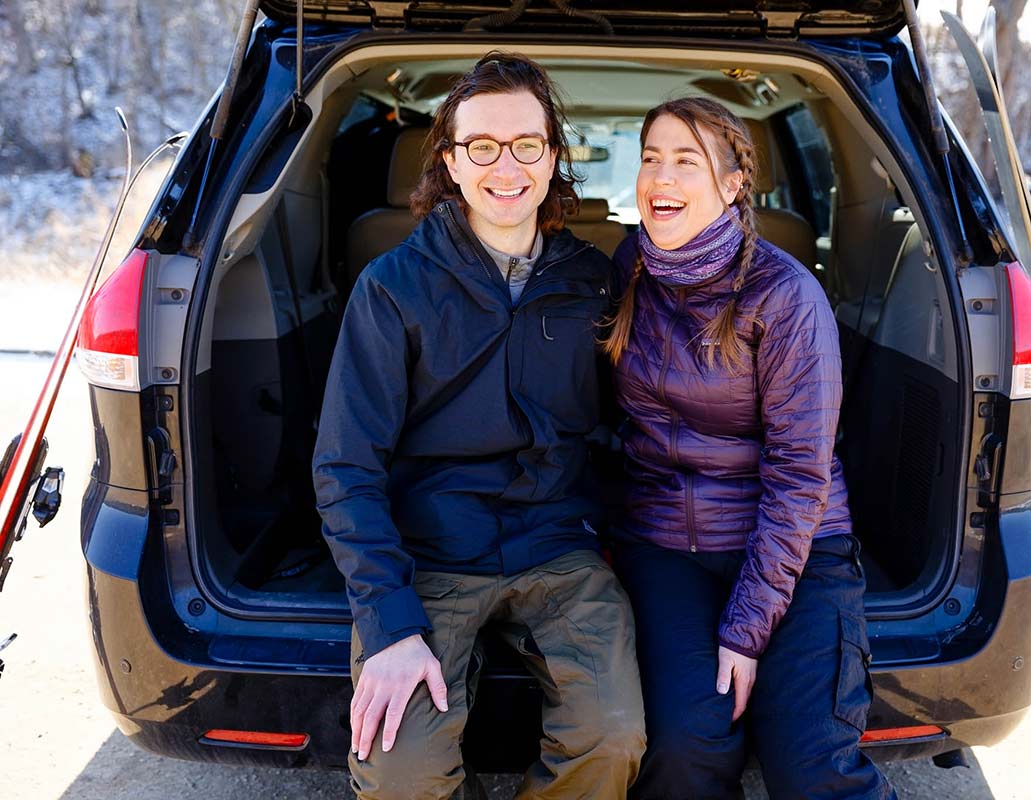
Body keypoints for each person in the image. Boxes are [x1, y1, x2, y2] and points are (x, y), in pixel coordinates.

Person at [312, 52, 645, 800]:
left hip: (561, 549)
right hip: (429, 552)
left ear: (553, 156)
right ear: (452, 162)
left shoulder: (591, 281)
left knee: (615, 736)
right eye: (483, 147)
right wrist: (390, 623)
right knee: (401, 775)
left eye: (527, 144)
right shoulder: (392, 287)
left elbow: (629, 431)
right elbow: (346, 466)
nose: (507, 166)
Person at [603, 97, 895, 800]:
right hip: (666, 541)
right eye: (649, 158)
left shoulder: (786, 296)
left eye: (686, 161)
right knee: (682, 751)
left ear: (733, 185)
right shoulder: (629, 268)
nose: (659, 177)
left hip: (795, 548)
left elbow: (800, 475)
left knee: (811, 766)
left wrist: (745, 630)